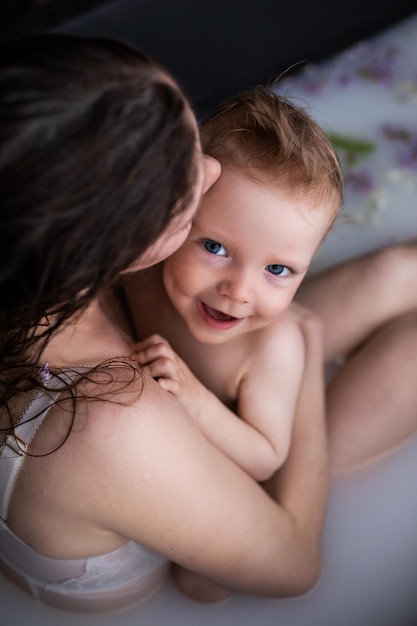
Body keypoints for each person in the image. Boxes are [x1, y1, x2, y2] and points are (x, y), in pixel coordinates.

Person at [0, 33, 329, 611]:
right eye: (183, 175)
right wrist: (307, 355)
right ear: (127, 245)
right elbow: (297, 566)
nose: (209, 166)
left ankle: (400, 273)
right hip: (121, 581)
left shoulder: (37, 257)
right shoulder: (116, 420)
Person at [124, 86, 343, 482]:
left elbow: (266, 458)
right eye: (215, 247)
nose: (239, 292)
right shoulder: (143, 266)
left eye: (277, 270)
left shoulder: (272, 349)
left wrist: (195, 399)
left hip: (302, 411)